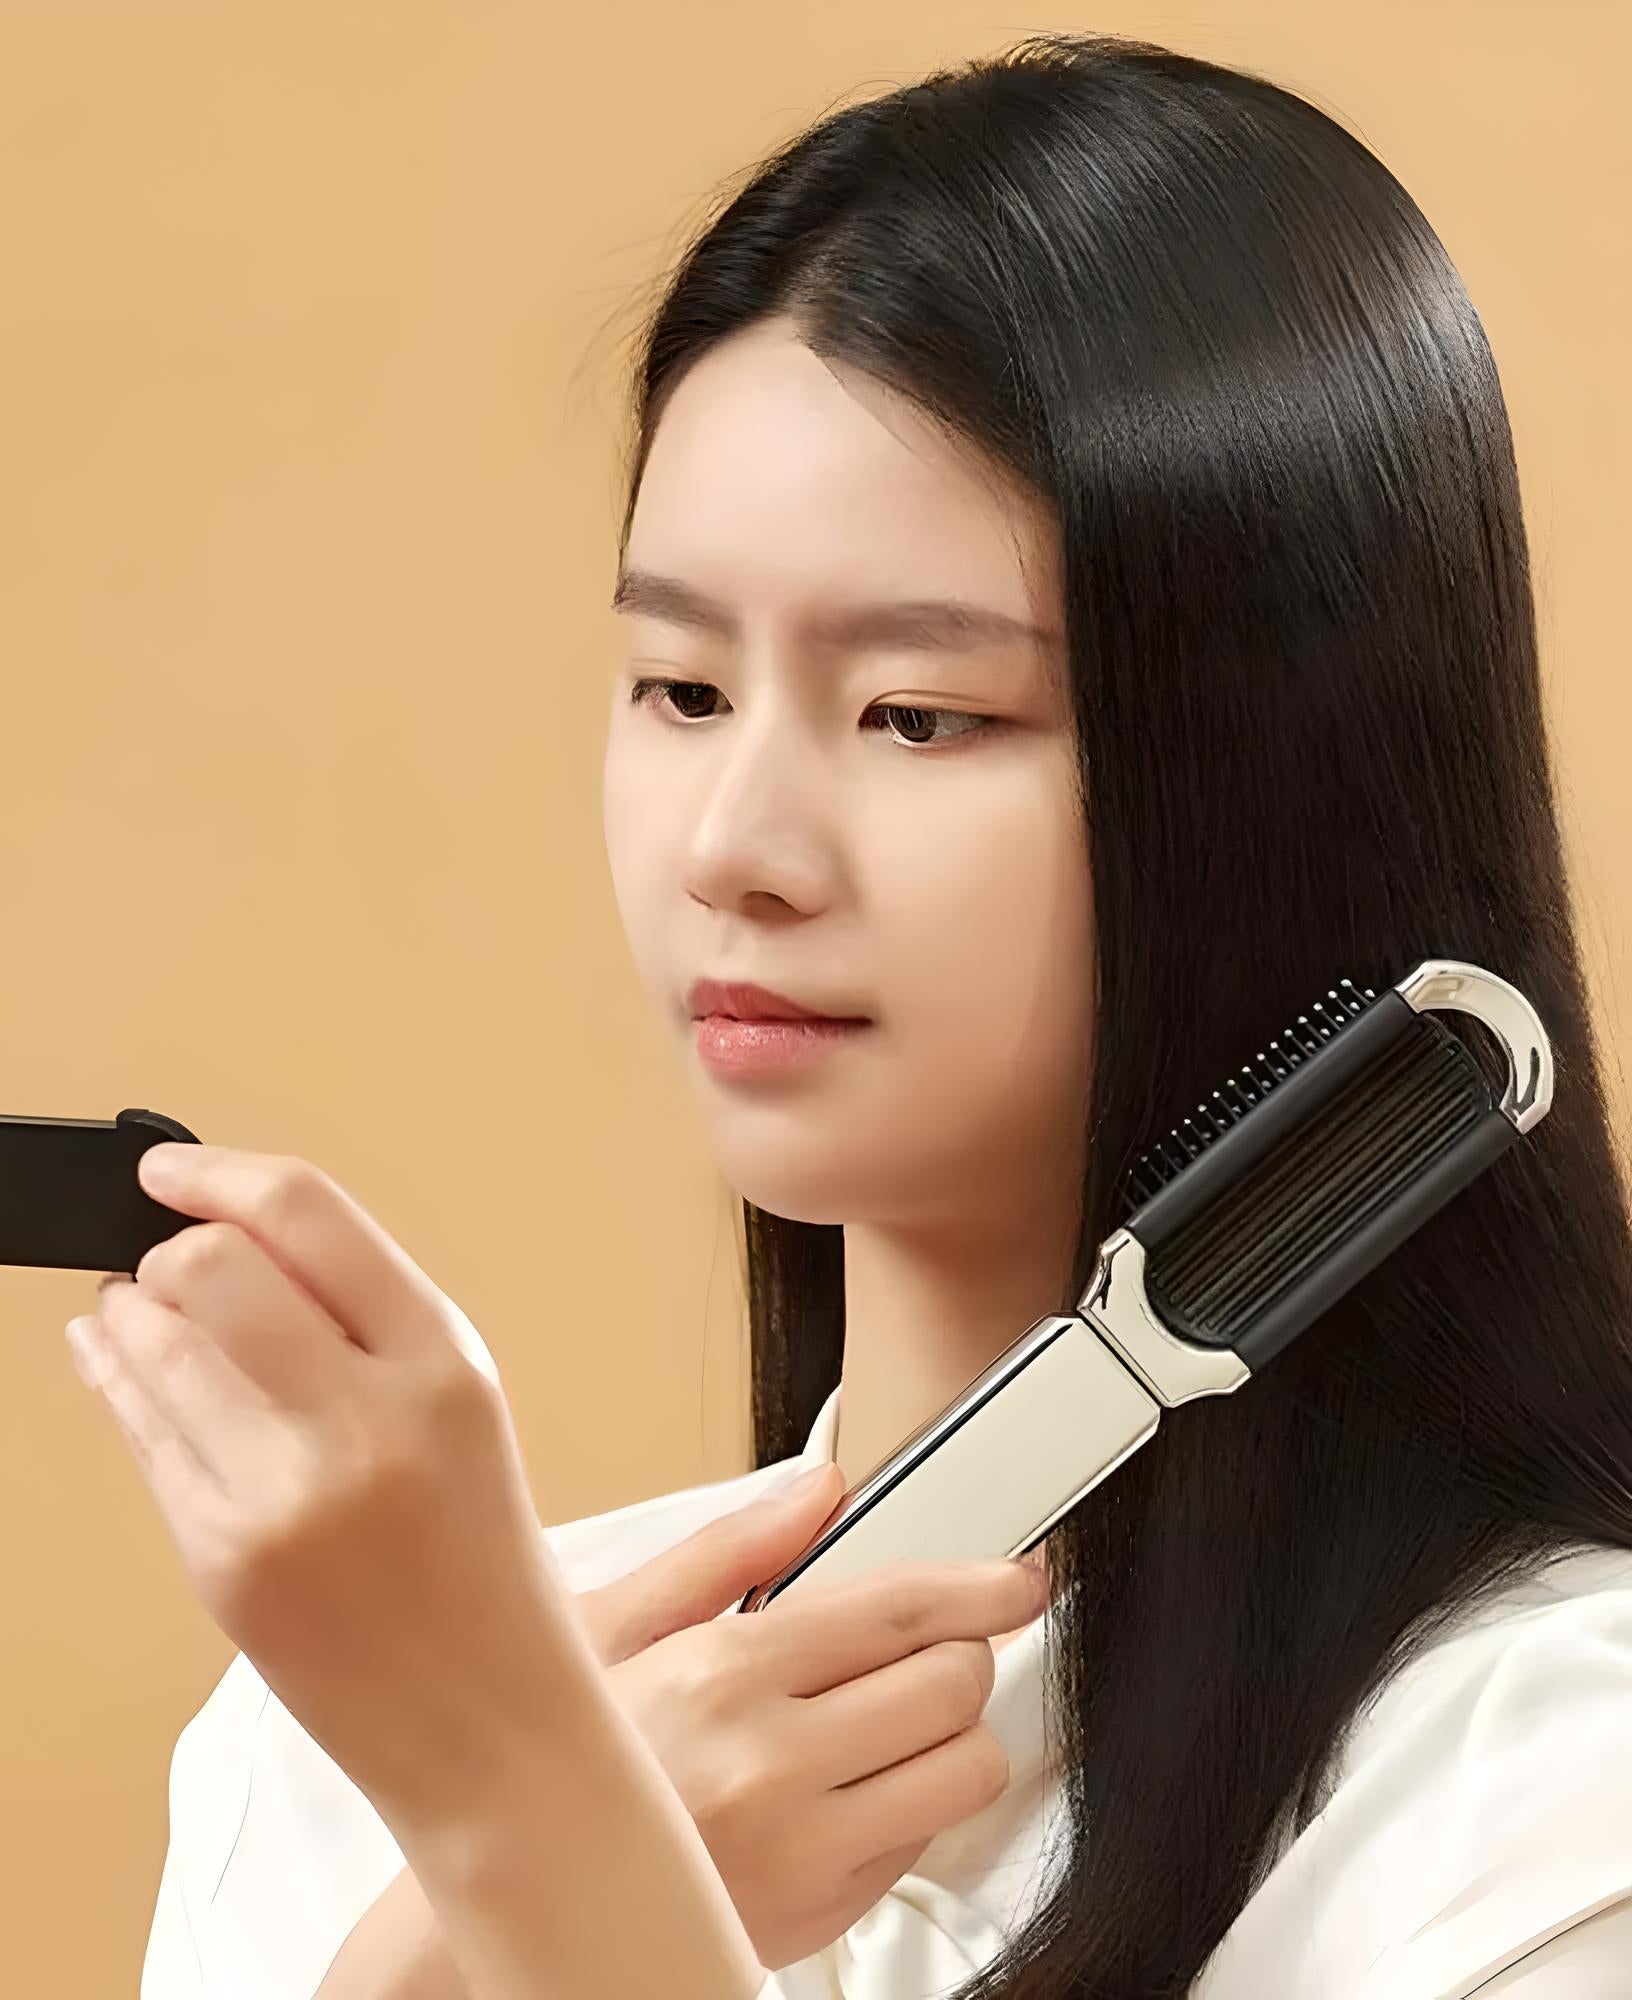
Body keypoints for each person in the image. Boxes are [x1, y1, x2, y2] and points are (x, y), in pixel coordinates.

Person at [135, 30, 1632, 1998]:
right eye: (679, 688)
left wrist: (541, 1841)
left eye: (922, 713)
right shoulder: (333, 1745)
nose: (735, 845)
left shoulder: (1543, 1791)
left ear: (1294, 776)